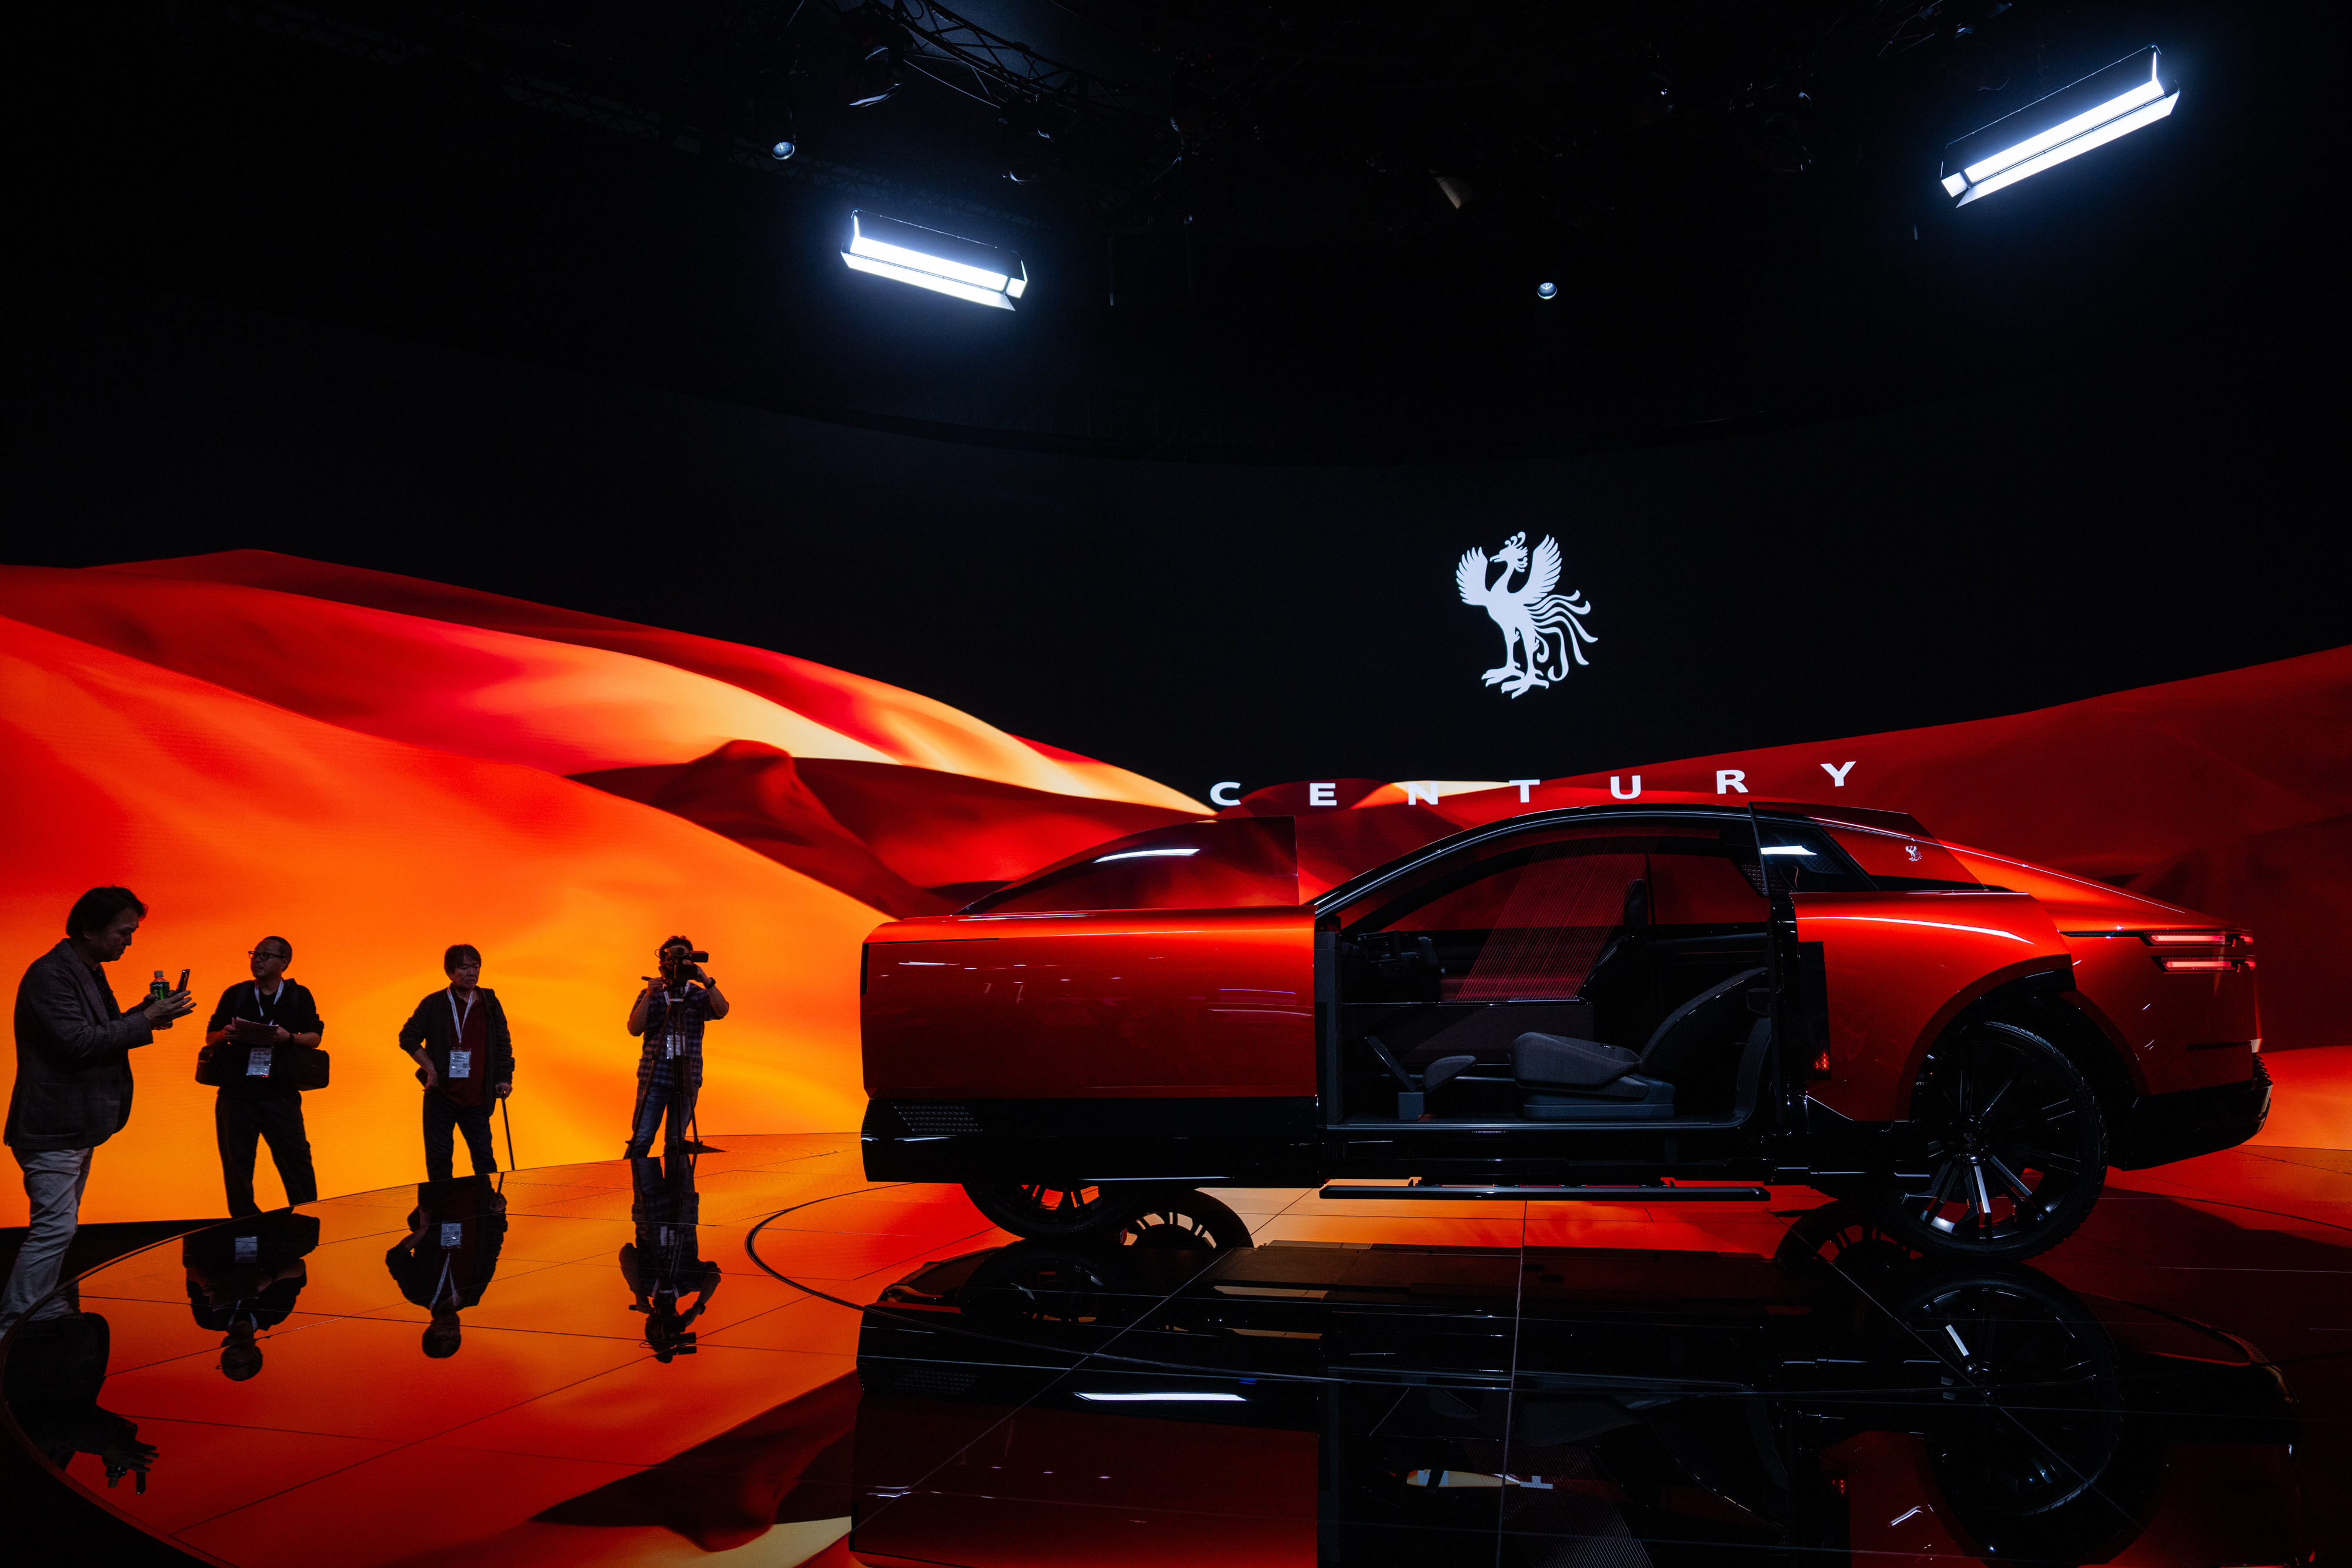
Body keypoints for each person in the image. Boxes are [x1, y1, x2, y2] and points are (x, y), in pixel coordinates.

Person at [3, 887, 195, 1334]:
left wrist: (145, 1012)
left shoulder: (83, 968)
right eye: (123, 932)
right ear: (89, 929)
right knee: (54, 1229)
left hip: (75, 1122)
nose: (129, 941)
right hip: (54, 1124)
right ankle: (14, 1323)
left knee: (59, 1227)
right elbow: (78, 1043)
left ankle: (42, 1307)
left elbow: (100, 1030)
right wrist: (146, 1019)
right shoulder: (51, 974)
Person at [203, 935, 324, 1217]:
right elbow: (211, 1037)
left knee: (296, 1162)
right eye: (254, 954)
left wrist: (288, 1037)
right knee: (237, 1167)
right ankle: (246, 1224)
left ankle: (306, 1219)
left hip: (280, 1093)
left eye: (265, 955)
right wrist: (225, 1034)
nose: (257, 959)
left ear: (284, 963)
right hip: (237, 1094)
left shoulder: (298, 995)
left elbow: (315, 1037)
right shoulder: (236, 993)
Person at [397, 944, 513, 1181]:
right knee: (439, 1161)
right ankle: (441, 1214)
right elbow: (407, 1037)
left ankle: (488, 1212)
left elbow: (503, 1044)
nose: (471, 972)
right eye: (464, 967)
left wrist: (504, 1078)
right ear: (450, 972)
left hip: (477, 1098)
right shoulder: (434, 1003)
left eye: (475, 966)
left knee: (484, 1159)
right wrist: (430, 1069)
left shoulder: (490, 1003)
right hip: (441, 1096)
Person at [183, 1211, 320, 1382]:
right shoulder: (275, 1314)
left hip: (217, 1235)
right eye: (236, 1365)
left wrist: (205, 1284)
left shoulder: (208, 1320)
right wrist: (271, 1279)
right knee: (249, 1224)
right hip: (265, 1234)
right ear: (255, 1356)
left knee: (239, 1223)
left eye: (224, 1365)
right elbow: (299, 1268)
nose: (227, 1361)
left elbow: (191, 1272)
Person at [624, 937, 729, 1158]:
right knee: (641, 1138)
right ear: (663, 961)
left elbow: (722, 1010)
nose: (677, 964)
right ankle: (635, 1188)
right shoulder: (650, 994)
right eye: (672, 958)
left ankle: (675, 1188)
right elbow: (634, 1029)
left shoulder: (697, 995)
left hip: (687, 1078)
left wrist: (705, 980)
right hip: (656, 1077)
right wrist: (649, 995)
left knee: (676, 1142)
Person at [383, 1175, 507, 1358]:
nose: (450, 1332)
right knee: (480, 1151)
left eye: (443, 1336)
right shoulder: (473, 1296)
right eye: (455, 1337)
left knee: (440, 1152)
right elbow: (492, 1251)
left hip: (438, 1194)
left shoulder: (418, 1293)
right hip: (478, 1193)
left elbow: (395, 1258)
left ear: (430, 1328)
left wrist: (422, 1230)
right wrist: (498, 1214)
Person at [620, 1151, 720, 1362]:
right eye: (672, 1325)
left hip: (650, 1205)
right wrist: (696, 1308)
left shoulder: (645, 1284)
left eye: (657, 1325)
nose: (664, 1317)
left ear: (649, 1322)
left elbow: (627, 1252)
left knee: (642, 1149)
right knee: (677, 1146)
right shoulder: (686, 1285)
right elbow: (714, 1276)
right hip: (683, 1204)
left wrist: (638, 1292)